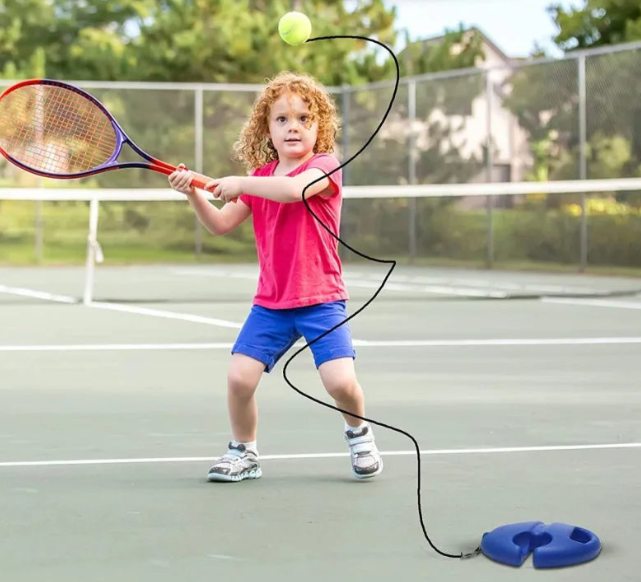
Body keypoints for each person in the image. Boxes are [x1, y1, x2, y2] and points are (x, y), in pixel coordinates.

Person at [168, 71, 382, 483]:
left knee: (340, 383)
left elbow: (294, 190)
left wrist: (238, 181)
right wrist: (193, 192)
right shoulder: (260, 176)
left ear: (320, 127)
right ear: (266, 128)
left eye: (304, 118)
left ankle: (358, 432)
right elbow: (220, 224)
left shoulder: (325, 166)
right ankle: (243, 452)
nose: (293, 127)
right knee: (238, 378)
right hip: (272, 303)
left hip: (321, 298)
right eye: (282, 119)